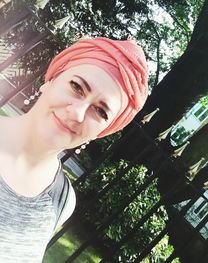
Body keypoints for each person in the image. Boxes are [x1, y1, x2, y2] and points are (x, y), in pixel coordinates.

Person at [0, 37, 148, 262]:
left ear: (102, 132)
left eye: (100, 111)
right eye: (76, 87)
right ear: (51, 80)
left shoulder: (62, 201)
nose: (77, 113)